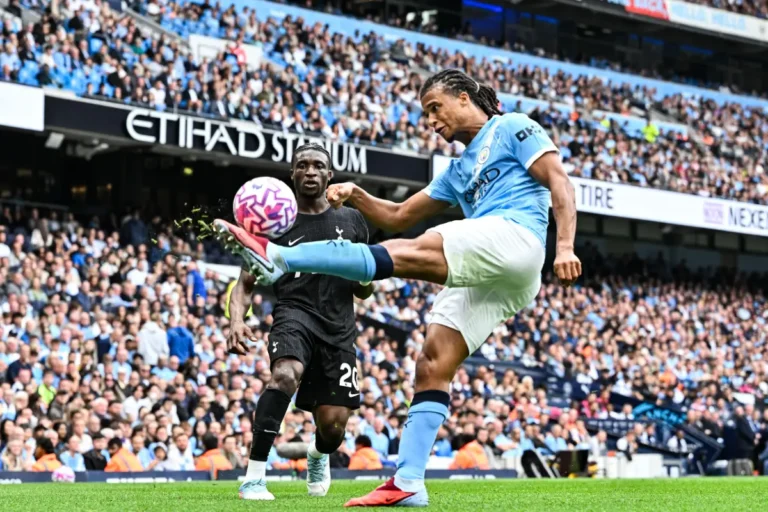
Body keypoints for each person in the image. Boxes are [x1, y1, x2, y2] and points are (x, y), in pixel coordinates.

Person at [213, 68, 580, 506]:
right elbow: (400, 214)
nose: (431, 121)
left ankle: (278, 257)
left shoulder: (512, 126)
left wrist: (565, 246)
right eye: (426, 113)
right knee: (432, 362)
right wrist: (357, 194)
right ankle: (408, 482)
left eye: (435, 108)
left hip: (518, 238)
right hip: (500, 274)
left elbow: (559, 180)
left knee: (408, 249)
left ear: (464, 97)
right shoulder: (456, 170)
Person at [226, 143, 373, 501]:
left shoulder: (352, 220)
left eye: (318, 166)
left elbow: (364, 290)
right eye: (302, 165)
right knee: (284, 374)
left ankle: (317, 455)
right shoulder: (273, 222)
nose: (310, 171)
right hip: (294, 314)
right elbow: (244, 284)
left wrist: (365, 279)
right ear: (291, 174)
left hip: (339, 328)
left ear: (329, 175)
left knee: (333, 428)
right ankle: (254, 478)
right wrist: (236, 320)